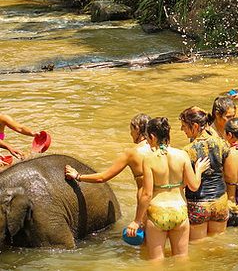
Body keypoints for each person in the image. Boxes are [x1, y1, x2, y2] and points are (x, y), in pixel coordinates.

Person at [126, 117, 210, 261]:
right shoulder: (182, 155)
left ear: (152, 137)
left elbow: (146, 194)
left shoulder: (149, 160)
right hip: (180, 212)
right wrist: (199, 170)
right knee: (182, 259)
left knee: (156, 261)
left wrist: (137, 220)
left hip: (157, 212)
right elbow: (194, 186)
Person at [65, 114, 152, 222]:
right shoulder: (162, 150)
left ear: (137, 129)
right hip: (171, 204)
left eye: (131, 129)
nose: (130, 133)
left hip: (147, 206)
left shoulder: (131, 153)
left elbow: (102, 177)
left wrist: (78, 176)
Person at [180, 106, 229, 241]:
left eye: (184, 126)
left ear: (195, 126)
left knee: (198, 246)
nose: (181, 130)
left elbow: (185, 183)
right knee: (218, 244)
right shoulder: (222, 143)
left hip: (198, 204)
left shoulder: (187, 151)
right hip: (220, 201)